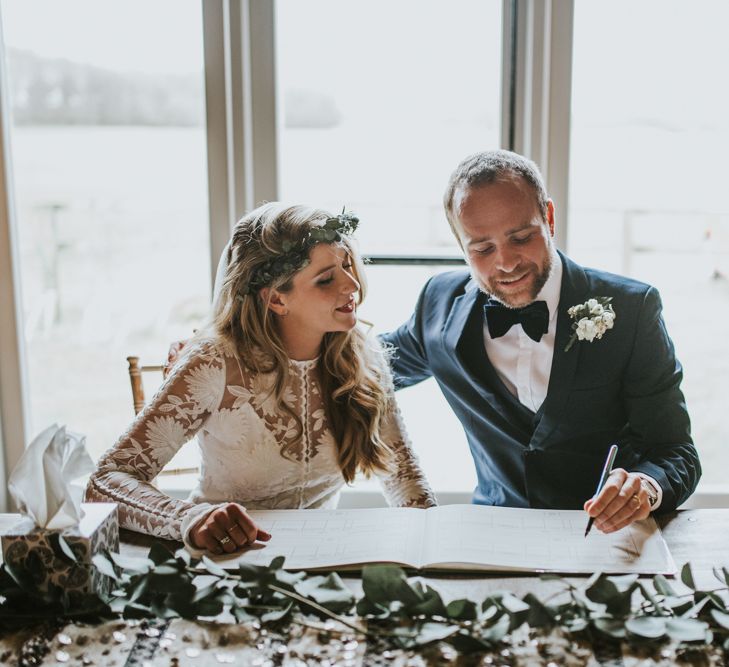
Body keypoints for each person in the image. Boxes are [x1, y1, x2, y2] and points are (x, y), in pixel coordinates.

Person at [85, 203, 436, 555]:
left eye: (347, 264)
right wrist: (190, 519)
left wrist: (433, 546)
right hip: (226, 561)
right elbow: (106, 481)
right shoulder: (213, 364)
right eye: (326, 278)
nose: (352, 284)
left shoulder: (364, 357)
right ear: (276, 299)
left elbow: (406, 481)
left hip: (328, 559)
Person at [380, 149, 700, 533]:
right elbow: (358, 367)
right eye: (482, 248)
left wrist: (645, 487)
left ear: (549, 218)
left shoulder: (631, 309)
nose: (507, 262)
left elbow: (675, 451)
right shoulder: (438, 305)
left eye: (521, 237)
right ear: (460, 245)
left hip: (608, 540)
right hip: (492, 539)